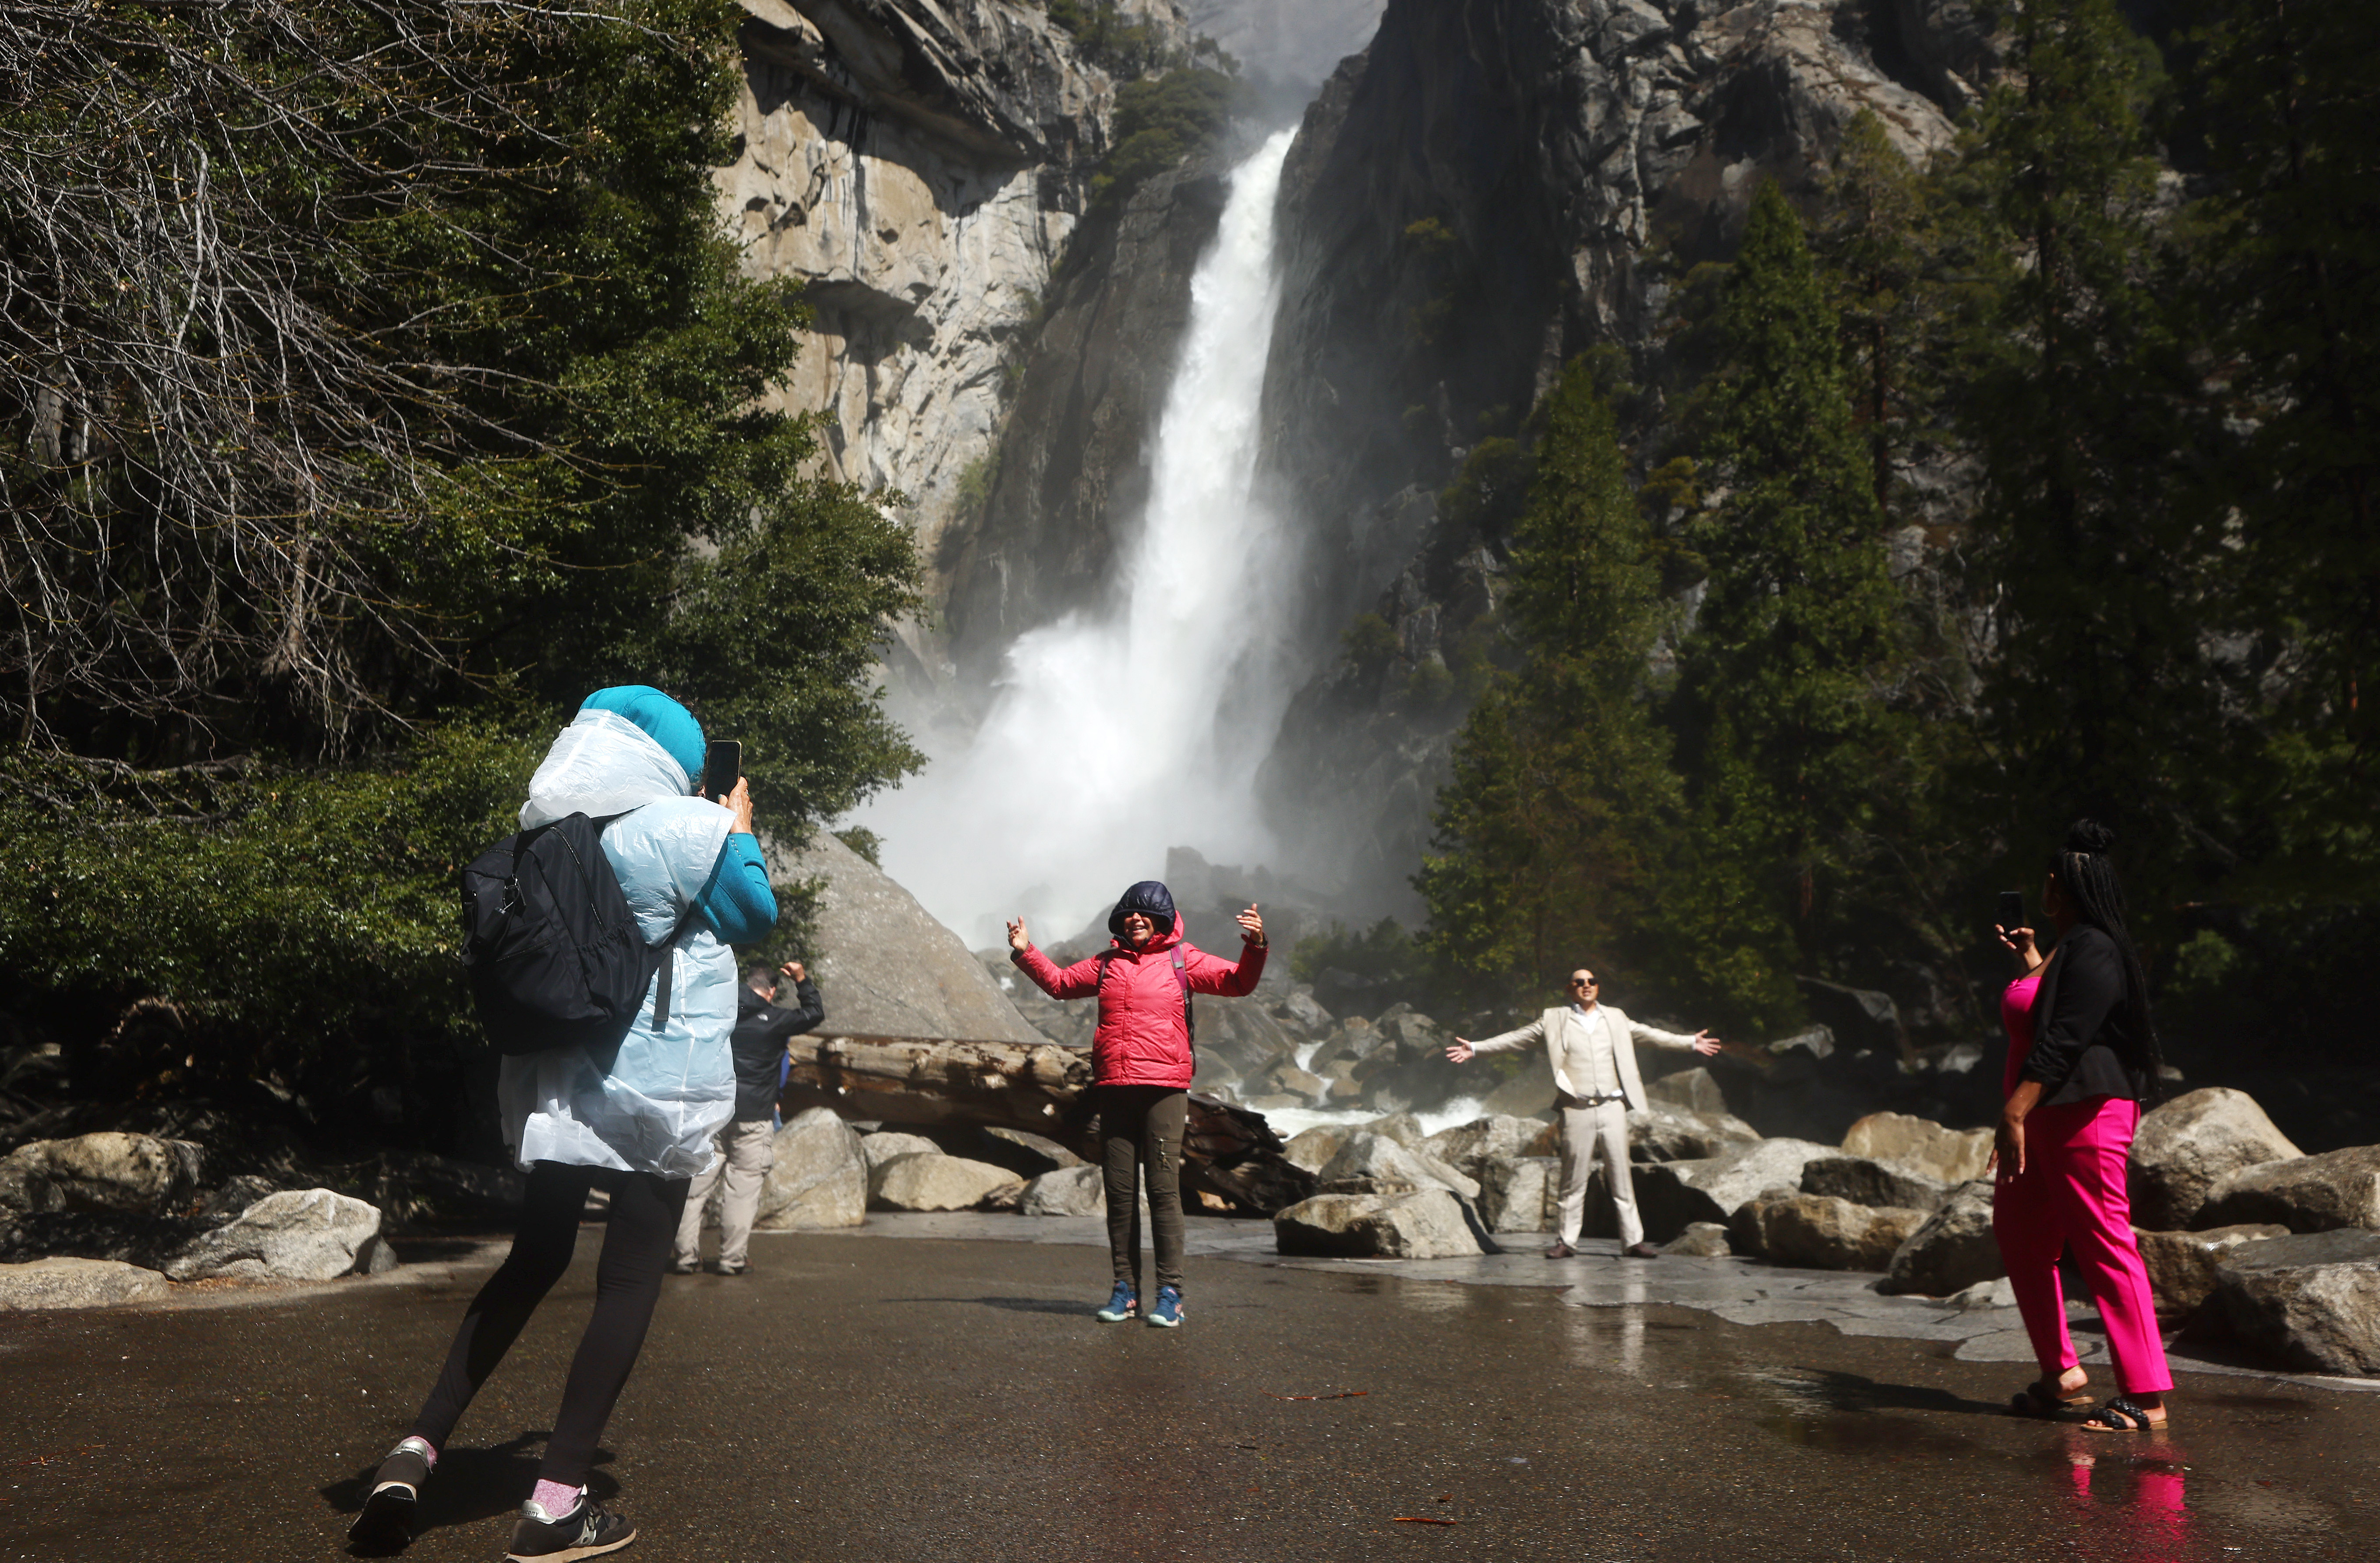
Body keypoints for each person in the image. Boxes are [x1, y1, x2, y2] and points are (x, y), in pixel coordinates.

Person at [347, 687, 776, 1561]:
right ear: (674, 755)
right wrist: (734, 822)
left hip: (556, 1083)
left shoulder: (547, 820)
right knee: (627, 1280)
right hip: (650, 1094)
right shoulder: (678, 824)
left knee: (531, 1262)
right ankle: (556, 1503)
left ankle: (416, 1449)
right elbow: (753, 915)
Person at [1006, 882, 1265, 1329]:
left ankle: (1171, 1294)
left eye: (1145, 914)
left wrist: (1257, 945)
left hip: (1164, 1088)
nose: (1136, 920)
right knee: (1120, 1195)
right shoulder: (1107, 964)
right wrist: (1027, 951)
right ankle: (1124, 1290)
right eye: (1129, 914)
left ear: (1163, 919)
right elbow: (1062, 984)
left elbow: (1239, 983)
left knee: (1164, 1192)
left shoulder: (1184, 960)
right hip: (1115, 1088)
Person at [1992, 819, 2173, 1432]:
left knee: (2104, 1243)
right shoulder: (2069, 947)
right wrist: (2032, 959)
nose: (2045, 885)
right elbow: (2054, 1015)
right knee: (2018, 1232)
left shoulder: (2096, 944)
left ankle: (2146, 1396)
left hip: (2087, 1112)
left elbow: (2066, 1038)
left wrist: (2013, 1110)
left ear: (2073, 886)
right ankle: (2061, 1371)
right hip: (2049, 1113)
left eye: (2053, 879)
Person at [1445, 969, 1720, 1258]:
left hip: (1612, 1106)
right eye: (1579, 982)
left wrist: (1690, 1042)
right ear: (1569, 988)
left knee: (1621, 1174)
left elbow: (1651, 1035)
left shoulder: (1616, 1017)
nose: (1586, 986)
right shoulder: (1554, 1018)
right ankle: (1566, 1241)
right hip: (1576, 1107)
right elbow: (1518, 1038)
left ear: (1598, 987)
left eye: (1591, 981)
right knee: (1572, 1178)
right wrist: (1475, 1048)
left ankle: (1633, 1241)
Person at [669, 960, 824, 1276]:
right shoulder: (776, 1019)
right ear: (771, 991)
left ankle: (685, 1257)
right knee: (742, 1189)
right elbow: (814, 1013)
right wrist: (802, 979)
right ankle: (732, 1259)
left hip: (713, 1113)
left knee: (695, 1187)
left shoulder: (720, 1010)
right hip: (754, 1117)